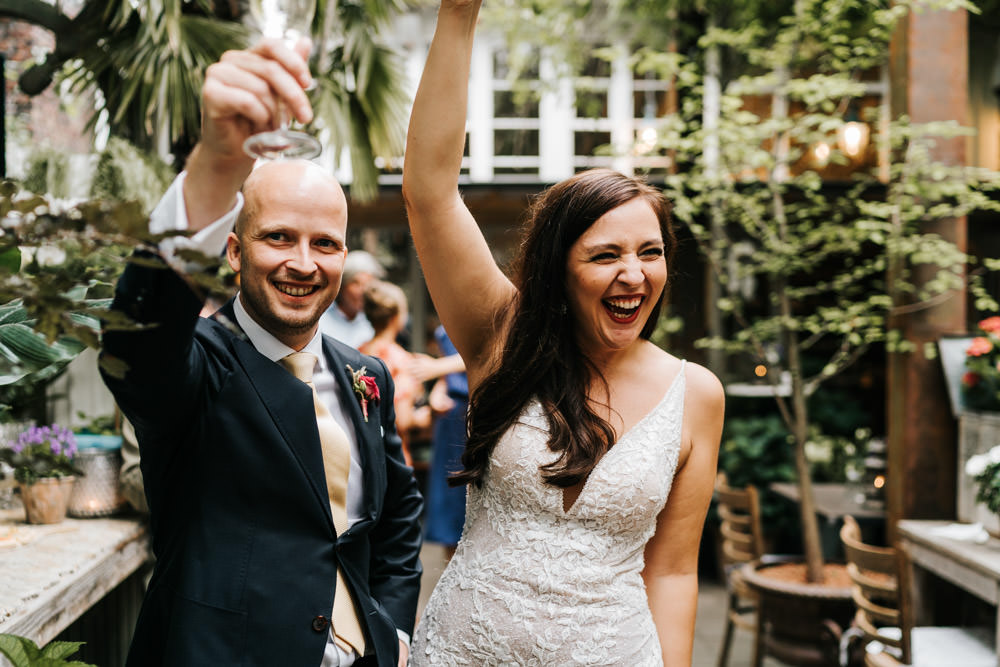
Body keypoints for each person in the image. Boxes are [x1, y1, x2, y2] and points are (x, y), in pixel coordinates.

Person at [401, 2, 725, 665]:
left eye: (651, 252)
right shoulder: (501, 335)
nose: (633, 274)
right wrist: (459, 16)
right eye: (606, 255)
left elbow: (672, 571)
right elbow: (431, 190)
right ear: (559, 269)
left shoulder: (696, 393)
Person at [100, 38, 422, 667]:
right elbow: (137, 343)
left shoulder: (366, 375)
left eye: (325, 243)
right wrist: (216, 165)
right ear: (234, 251)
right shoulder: (198, 366)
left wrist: (393, 628)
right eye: (278, 237)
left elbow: (398, 515)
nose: (304, 263)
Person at [357, 280, 431, 466]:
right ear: (397, 316)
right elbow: (403, 420)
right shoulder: (401, 361)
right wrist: (421, 419)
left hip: (361, 455)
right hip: (392, 458)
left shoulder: (357, 353)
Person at [420, 326, 468, 558]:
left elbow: (490, 352)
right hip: (451, 416)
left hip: (474, 410)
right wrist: (439, 389)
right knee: (450, 501)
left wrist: (436, 367)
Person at [320, 250, 385, 348]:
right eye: (356, 283)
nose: (363, 291)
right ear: (342, 285)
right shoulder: (320, 318)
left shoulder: (371, 323)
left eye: (368, 284)